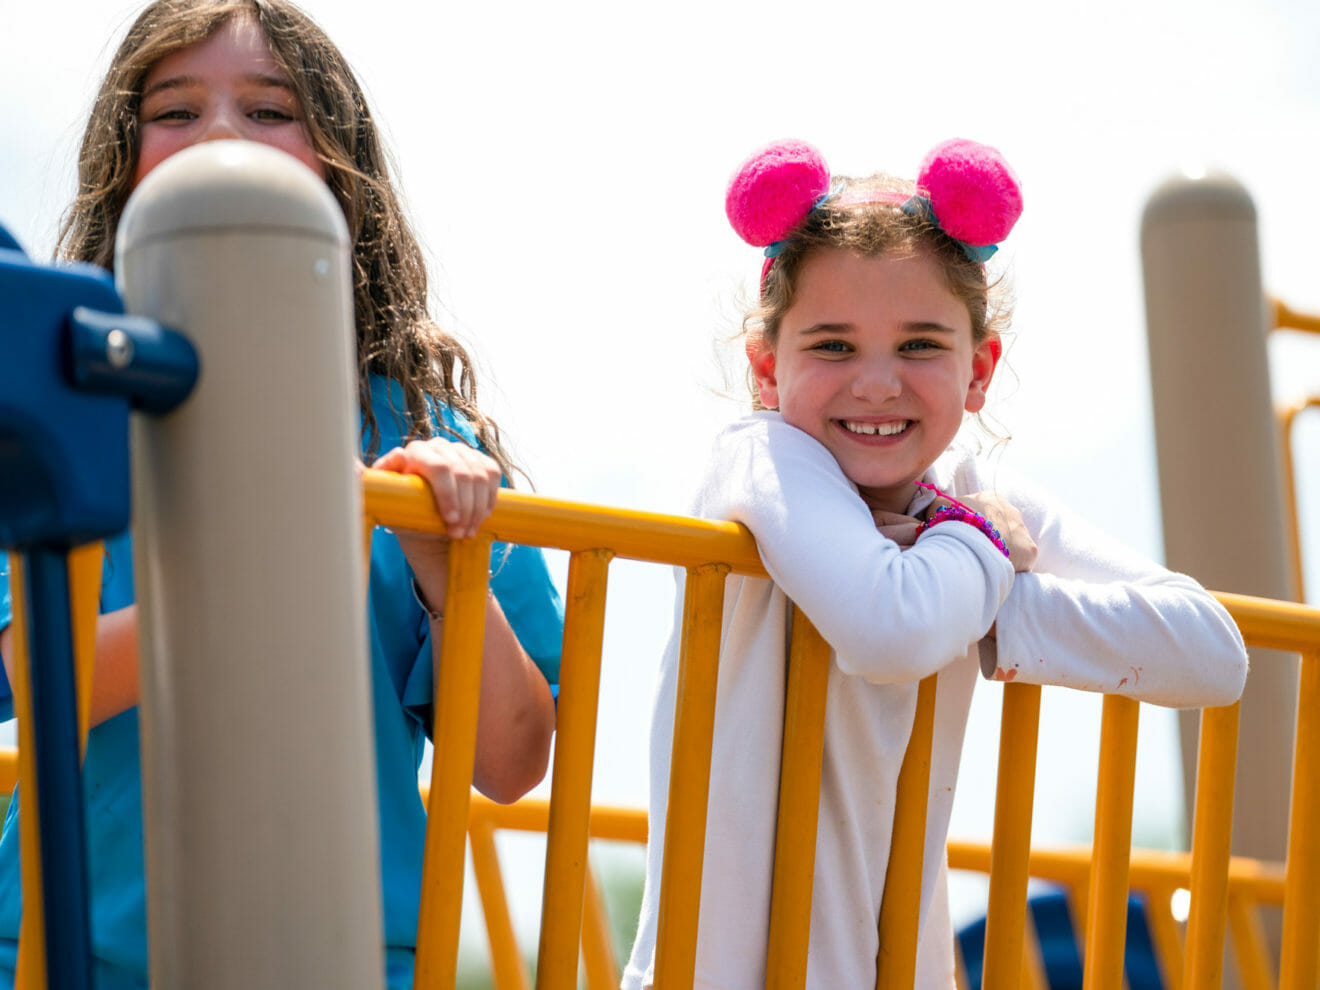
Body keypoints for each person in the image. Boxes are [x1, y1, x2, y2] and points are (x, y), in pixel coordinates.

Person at [0, 1, 562, 986]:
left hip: (346, 959)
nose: (221, 135)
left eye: (269, 111)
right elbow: (40, 678)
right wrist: (280, 547)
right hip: (69, 954)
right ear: (123, 163)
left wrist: (442, 567)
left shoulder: (422, 439)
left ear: (337, 164)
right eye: (174, 110)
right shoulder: (64, 410)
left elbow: (511, 765)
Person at [622, 138, 1250, 989]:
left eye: (920, 344)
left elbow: (1213, 651)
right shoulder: (762, 459)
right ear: (768, 368)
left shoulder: (964, 497)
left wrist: (984, 610)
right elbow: (892, 629)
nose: (877, 383)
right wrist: (978, 556)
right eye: (833, 346)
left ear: (978, 369)